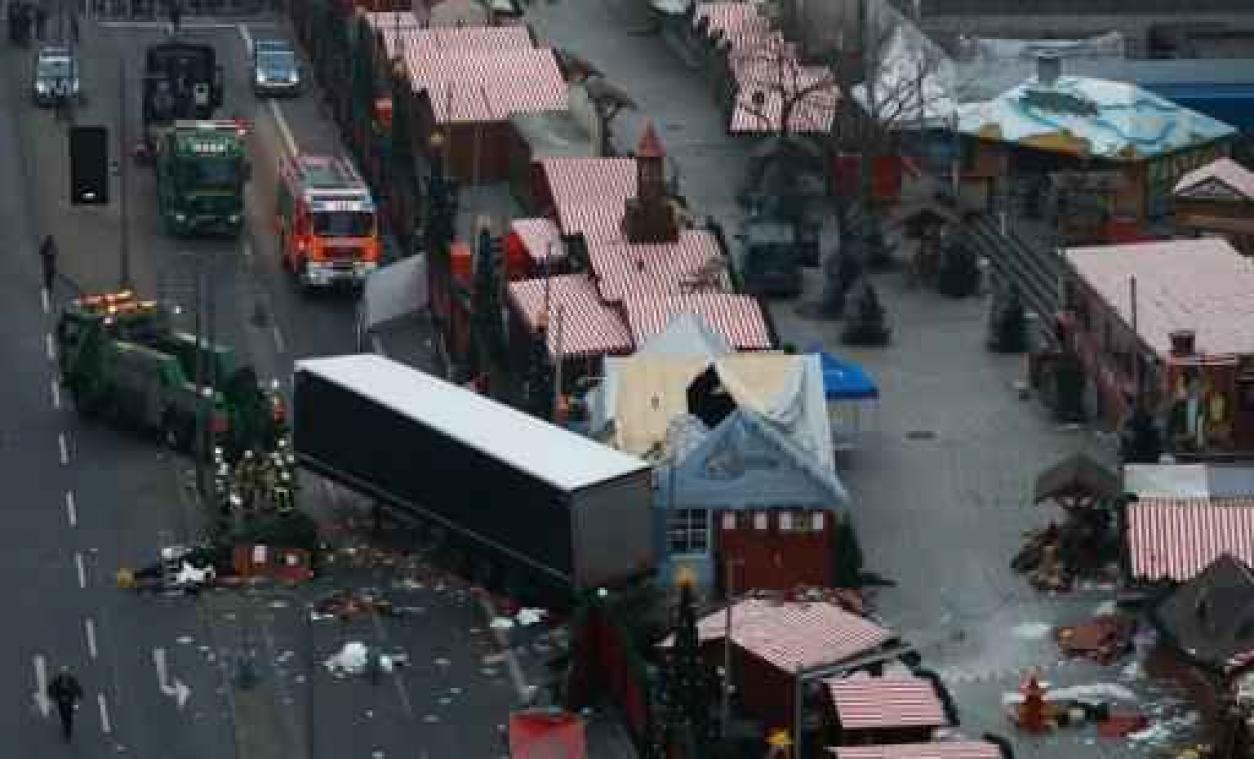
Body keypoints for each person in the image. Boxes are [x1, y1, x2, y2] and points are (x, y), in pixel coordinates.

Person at [47, 666, 83, 742]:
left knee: (70, 716)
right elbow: (50, 688)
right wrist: (53, 696)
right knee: (63, 715)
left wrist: (80, 695)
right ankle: (65, 724)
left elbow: (77, 687)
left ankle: (68, 731)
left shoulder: (72, 680)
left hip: (70, 701)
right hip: (61, 701)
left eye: (65, 673)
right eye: (63, 674)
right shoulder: (57, 681)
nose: (64, 675)